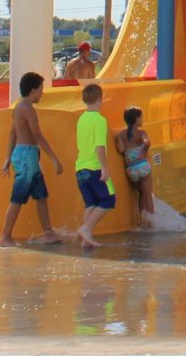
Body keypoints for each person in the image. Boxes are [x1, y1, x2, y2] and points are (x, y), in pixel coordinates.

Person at [0, 72, 64, 247]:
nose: (42, 93)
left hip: (26, 155)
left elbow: (13, 133)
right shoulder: (28, 110)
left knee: (41, 195)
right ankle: (5, 236)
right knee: (18, 197)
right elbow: (37, 135)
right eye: (41, 89)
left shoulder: (19, 107)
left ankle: (49, 233)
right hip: (27, 155)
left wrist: (8, 159)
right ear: (33, 90)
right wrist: (54, 159)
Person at [73, 83, 114, 248]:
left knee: (91, 203)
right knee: (108, 200)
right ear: (99, 99)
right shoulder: (100, 120)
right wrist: (105, 167)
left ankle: (86, 240)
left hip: (80, 168)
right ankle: (86, 229)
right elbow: (99, 146)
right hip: (94, 167)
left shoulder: (81, 119)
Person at [117, 106, 154, 226]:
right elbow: (146, 142)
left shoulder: (121, 135)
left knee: (140, 195)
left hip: (131, 170)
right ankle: (152, 222)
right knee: (147, 195)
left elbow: (121, 149)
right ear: (136, 119)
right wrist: (144, 148)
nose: (142, 119)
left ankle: (141, 221)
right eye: (141, 117)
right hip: (143, 166)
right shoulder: (142, 133)